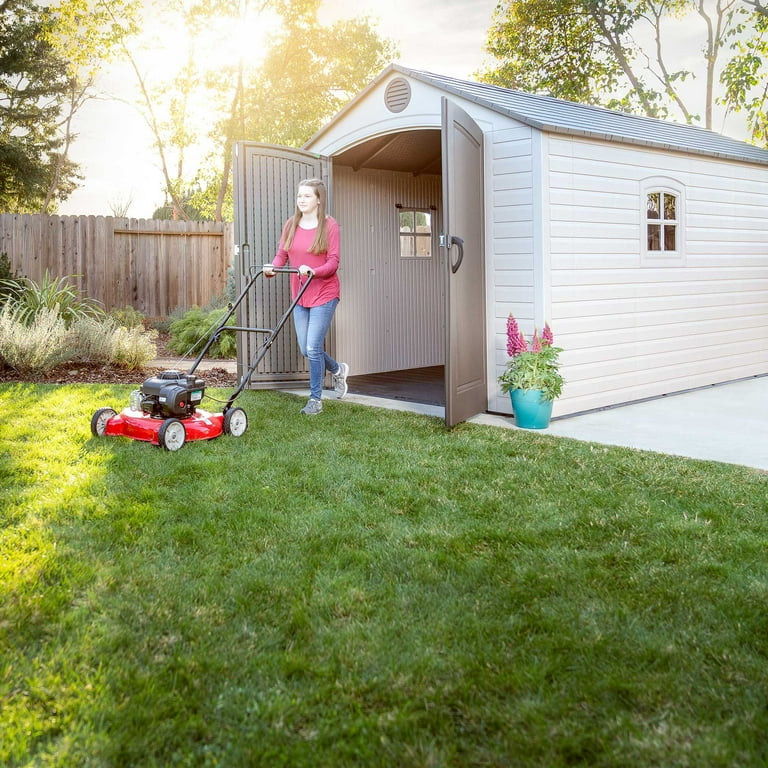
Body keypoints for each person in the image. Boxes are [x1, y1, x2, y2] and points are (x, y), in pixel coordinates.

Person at [263, 178, 349, 415]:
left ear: (318, 199)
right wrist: (273, 267)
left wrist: (314, 271)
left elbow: (333, 262)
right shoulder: (291, 224)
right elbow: (282, 254)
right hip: (300, 295)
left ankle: (315, 400)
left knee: (313, 347)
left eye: (307, 196)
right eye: (299, 196)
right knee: (306, 348)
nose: (301, 200)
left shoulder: (330, 226)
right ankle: (338, 369)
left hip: (324, 292)